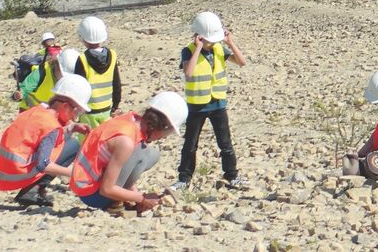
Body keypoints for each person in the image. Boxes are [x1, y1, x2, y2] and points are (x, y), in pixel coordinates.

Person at [70, 91, 187, 214]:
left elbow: (124, 167)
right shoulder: (126, 142)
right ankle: (114, 201)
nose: (163, 138)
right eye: (167, 133)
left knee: (150, 154)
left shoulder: (131, 120)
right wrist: (141, 198)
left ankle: (121, 196)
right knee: (141, 153)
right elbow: (106, 189)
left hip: (84, 184)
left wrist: (134, 195)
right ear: (160, 127)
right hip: (91, 194)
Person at [170, 12, 249, 192]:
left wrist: (230, 43)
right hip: (197, 105)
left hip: (217, 104)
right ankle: (184, 178)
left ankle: (232, 175)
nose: (212, 43)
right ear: (198, 36)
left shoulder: (220, 49)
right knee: (190, 143)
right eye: (208, 40)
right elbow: (188, 73)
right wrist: (198, 48)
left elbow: (242, 62)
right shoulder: (188, 50)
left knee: (225, 143)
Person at [0, 75, 93, 206]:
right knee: (73, 146)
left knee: (66, 140)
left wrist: (72, 128)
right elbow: (43, 164)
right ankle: (32, 191)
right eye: (77, 111)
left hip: (5, 169)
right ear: (65, 106)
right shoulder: (51, 126)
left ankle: (31, 190)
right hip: (16, 174)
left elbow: (41, 137)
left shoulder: (39, 111)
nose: (76, 117)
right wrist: (76, 173)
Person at [72, 16, 123, 129]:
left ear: (83, 38)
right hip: (107, 110)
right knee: (104, 143)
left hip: (88, 112)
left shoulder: (83, 59)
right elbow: (117, 84)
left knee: (88, 144)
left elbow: (77, 88)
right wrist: (115, 105)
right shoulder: (113, 55)